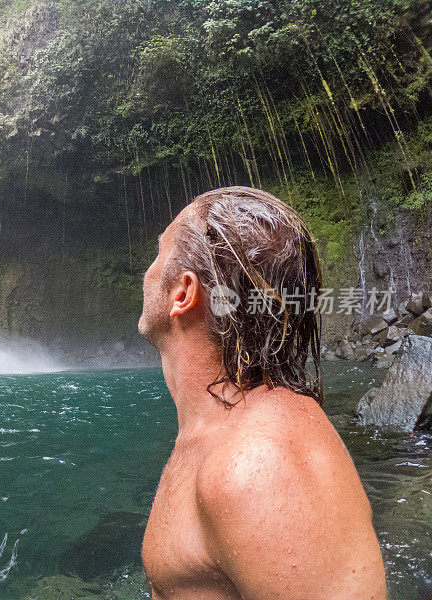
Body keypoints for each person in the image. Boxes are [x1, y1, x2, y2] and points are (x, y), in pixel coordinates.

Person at [138, 187, 386, 599]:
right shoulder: (224, 428)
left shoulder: (261, 464)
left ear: (183, 293)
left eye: (158, 254)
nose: (145, 273)